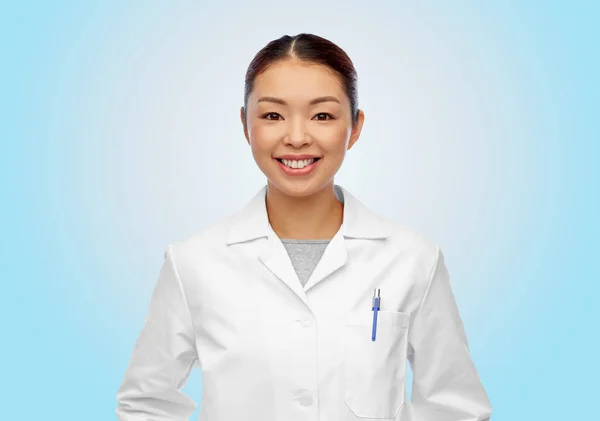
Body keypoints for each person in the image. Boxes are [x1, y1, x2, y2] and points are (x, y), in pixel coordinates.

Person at [115, 33, 492, 421]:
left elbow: (455, 407)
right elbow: (147, 403)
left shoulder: (412, 260)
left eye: (322, 116)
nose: (296, 137)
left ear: (355, 127)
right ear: (245, 125)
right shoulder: (192, 263)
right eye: (273, 115)